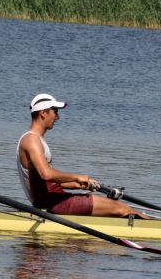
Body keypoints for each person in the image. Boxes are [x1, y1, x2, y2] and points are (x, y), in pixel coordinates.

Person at [16, 93, 148, 218]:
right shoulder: (31, 140)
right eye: (55, 111)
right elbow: (46, 174)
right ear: (43, 113)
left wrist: (79, 184)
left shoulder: (36, 139)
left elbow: (46, 183)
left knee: (119, 207)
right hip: (51, 203)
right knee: (124, 209)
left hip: (54, 199)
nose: (57, 117)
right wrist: (78, 177)